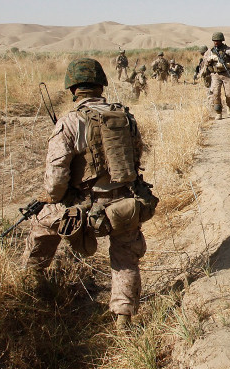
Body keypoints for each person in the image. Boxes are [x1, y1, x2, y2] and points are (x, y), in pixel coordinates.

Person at [22, 58, 157, 331]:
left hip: (81, 209)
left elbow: (57, 178)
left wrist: (52, 197)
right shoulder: (125, 117)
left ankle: (30, 284)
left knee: (41, 225)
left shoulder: (69, 122)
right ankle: (123, 317)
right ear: (100, 85)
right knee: (125, 256)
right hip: (124, 205)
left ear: (73, 89)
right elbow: (137, 156)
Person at [197, 32, 230, 119]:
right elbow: (204, 62)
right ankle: (218, 112)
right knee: (215, 94)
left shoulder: (228, 50)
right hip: (215, 75)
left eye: (218, 41)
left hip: (226, 73)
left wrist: (227, 65)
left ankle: (228, 105)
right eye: (214, 41)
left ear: (221, 40)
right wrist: (209, 60)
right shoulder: (210, 52)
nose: (216, 42)